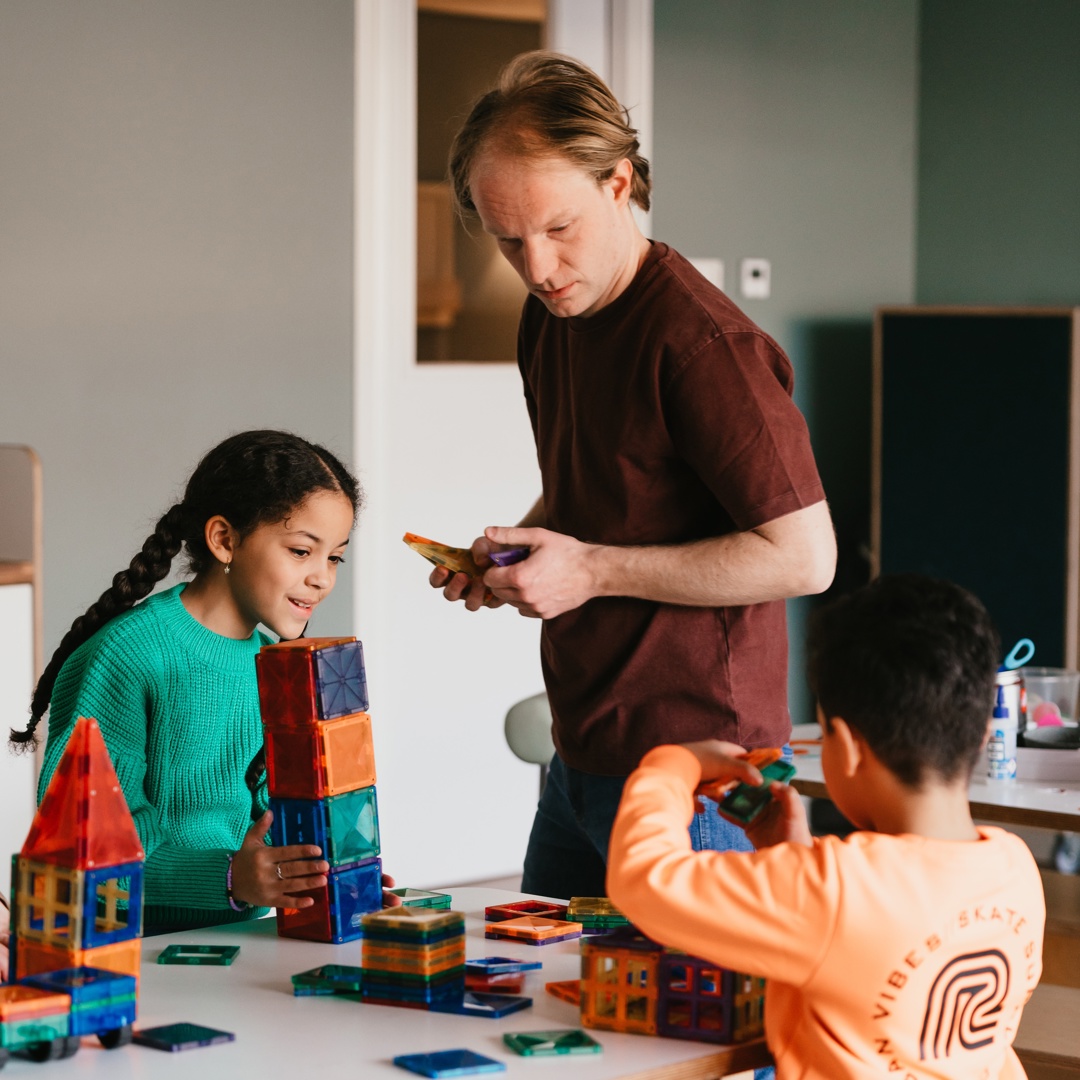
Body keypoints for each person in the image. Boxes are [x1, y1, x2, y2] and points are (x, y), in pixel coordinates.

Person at [434, 51, 836, 898]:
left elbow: (806, 557)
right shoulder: (553, 316)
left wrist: (589, 569)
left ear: (619, 183)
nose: (537, 267)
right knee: (548, 1017)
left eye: (558, 229)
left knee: (690, 1031)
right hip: (582, 751)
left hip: (702, 776)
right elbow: (601, 489)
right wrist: (517, 552)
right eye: (509, 240)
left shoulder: (704, 348)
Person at [607, 574, 1046, 1080]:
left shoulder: (833, 889)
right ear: (981, 732)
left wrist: (671, 765)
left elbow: (641, 879)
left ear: (846, 746)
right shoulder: (1015, 867)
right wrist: (793, 853)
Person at [11, 430, 395, 933]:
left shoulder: (274, 666)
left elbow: (266, 821)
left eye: (335, 557)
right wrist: (231, 877)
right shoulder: (127, 655)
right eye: (302, 551)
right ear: (224, 539)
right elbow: (83, 852)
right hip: (126, 955)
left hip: (242, 941)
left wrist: (321, 873)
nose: (323, 577)